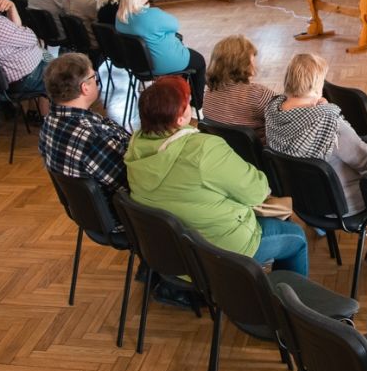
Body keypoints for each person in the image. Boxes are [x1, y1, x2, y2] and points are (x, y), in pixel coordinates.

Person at [125, 76, 309, 274]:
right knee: (297, 238)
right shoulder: (205, 149)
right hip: (219, 251)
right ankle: (285, 302)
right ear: (180, 118)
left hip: (173, 253)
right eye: (187, 104)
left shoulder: (134, 148)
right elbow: (256, 192)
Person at [265, 53, 367, 214]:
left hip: (302, 200)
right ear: (316, 86)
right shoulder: (329, 124)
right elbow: (366, 161)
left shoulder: (272, 112)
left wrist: (321, 107)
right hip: (343, 203)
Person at [40, 53, 129, 211]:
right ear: (85, 87)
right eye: (94, 77)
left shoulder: (49, 122)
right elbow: (132, 181)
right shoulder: (93, 138)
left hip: (83, 211)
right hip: (120, 217)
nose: (96, 81)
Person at [115, 0, 207, 108]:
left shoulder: (120, 17)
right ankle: (196, 106)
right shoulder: (152, 15)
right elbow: (175, 24)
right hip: (162, 63)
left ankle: (178, 98)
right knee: (199, 62)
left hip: (138, 65)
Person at [202, 35, 276, 137]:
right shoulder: (257, 94)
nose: (255, 66)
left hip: (222, 148)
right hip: (256, 150)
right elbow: (288, 114)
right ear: (244, 65)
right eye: (252, 61)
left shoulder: (209, 91)